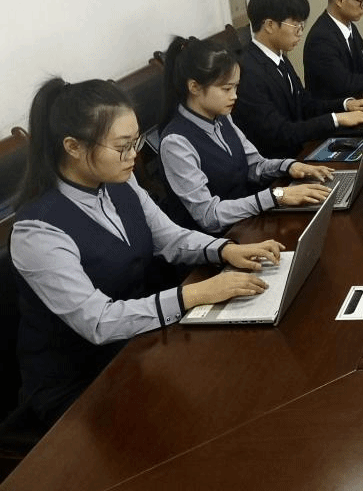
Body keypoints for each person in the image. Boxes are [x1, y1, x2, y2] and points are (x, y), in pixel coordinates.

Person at [10, 78, 284, 428]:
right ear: (73, 147)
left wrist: (226, 249)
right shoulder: (37, 231)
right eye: (122, 147)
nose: (134, 156)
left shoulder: (119, 182)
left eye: (136, 142)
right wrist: (196, 294)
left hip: (136, 347)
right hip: (80, 384)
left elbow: (168, 237)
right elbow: (98, 321)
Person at [159, 36, 336, 234]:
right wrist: (276, 196)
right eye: (226, 89)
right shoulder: (175, 142)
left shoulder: (222, 118)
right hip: (219, 241)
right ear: (194, 87)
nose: (234, 95)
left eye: (236, 87)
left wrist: (290, 166)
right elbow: (209, 216)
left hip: (246, 223)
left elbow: (254, 166)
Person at [232, 0, 363, 158]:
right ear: (270, 25)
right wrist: (337, 119)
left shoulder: (278, 58)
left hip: (299, 150)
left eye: (302, 25)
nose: (301, 32)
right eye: (296, 26)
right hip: (280, 163)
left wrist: (346, 105)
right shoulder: (248, 72)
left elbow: (305, 104)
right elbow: (280, 132)